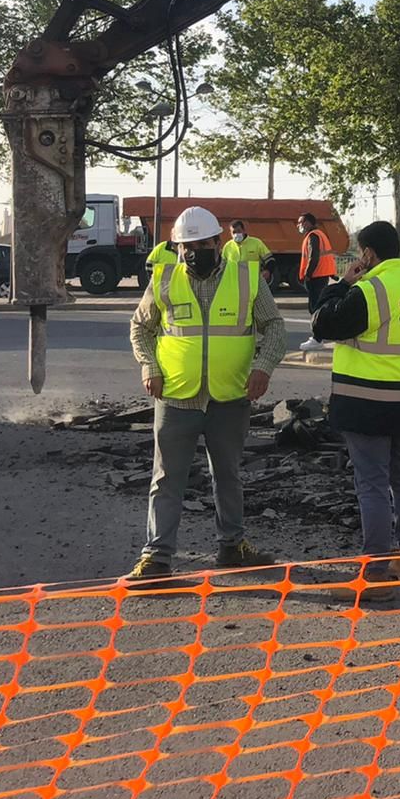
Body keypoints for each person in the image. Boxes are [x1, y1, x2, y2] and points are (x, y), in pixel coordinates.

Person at [126, 205, 287, 580]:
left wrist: (263, 368)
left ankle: (232, 547)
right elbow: (140, 328)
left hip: (229, 397)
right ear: (178, 247)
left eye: (202, 244)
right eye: (186, 246)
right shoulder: (164, 279)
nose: (194, 252)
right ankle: (157, 558)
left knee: (228, 474)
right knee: (166, 478)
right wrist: (149, 366)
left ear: (219, 242)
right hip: (177, 397)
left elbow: (275, 327)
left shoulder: (247, 277)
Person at [310, 220, 400, 579]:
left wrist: (342, 283)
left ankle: (375, 571)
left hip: (366, 404)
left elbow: (322, 324)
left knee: (373, 484)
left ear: (367, 253)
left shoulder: (368, 291)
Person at [298, 212, 337, 351]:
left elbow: (313, 257)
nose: (299, 225)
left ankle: (317, 338)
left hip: (316, 276)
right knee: (318, 306)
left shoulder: (313, 236)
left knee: (315, 308)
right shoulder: (320, 234)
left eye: (301, 222)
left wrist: (307, 274)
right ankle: (318, 336)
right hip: (321, 275)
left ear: (308, 222)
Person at [223, 219, 274, 285]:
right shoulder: (228, 246)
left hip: (253, 282)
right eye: (234, 232)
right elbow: (222, 265)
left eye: (239, 231)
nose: (236, 234)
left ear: (244, 230)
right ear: (230, 233)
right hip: (234, 283)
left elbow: (270, 260)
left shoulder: (256, 243)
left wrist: (268, 271)